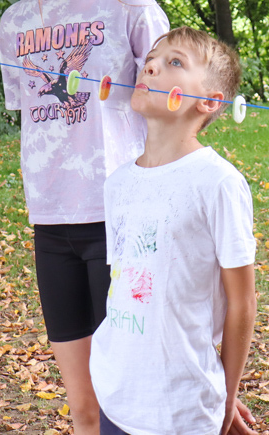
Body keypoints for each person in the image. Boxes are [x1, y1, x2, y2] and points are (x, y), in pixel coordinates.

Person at [0, 0, 169, 434]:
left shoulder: (132, 9)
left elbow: (176, 113)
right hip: (51, 224)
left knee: (130, 400)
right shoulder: (15, 23)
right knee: (84, 406)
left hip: (121, 218)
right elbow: (36, 117)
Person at [89, 27, 258, 435]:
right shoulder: (117, 184)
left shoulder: (219, 183)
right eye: (151, 59)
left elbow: (242, 303)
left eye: (174, 62)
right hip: (115, 395)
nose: (150, 67)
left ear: (209, 101)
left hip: (181, 409)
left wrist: (227, 393)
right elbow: (125, 285)